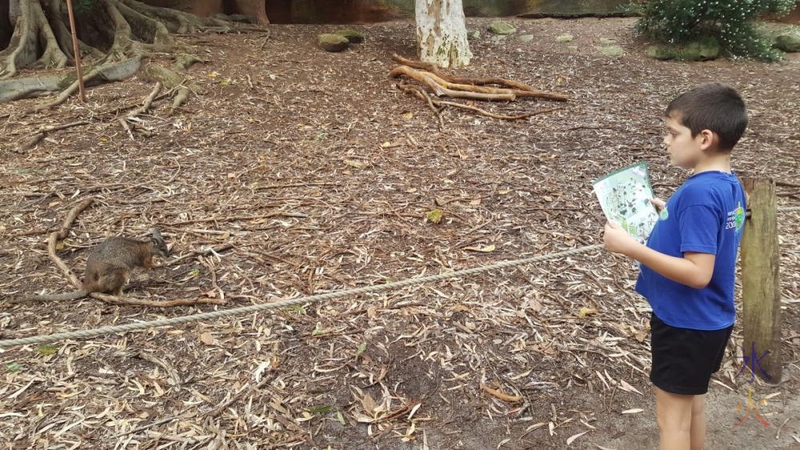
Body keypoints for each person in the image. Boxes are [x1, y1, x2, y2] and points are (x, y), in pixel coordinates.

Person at [603, 82, 748, 450]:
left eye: (672, 133)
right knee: (692, 409)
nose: (666, 141)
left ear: (704, 138)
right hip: (710, 321)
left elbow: (698, 273)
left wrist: (632, 248)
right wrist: (670, 211)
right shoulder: (728, 185)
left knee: (672, 423)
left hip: (685, 323)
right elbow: (717, 231)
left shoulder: (699, 193)